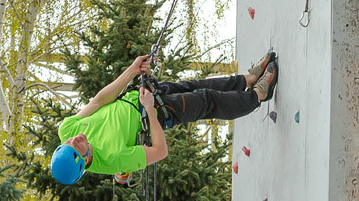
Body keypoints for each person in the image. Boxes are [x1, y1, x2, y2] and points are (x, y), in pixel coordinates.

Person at [49, 51, 279, 184]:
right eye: (77, 146)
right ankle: (258, 95)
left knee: (197, 85)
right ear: (84, 160)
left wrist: (132, 71)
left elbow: (99, 101)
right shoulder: (112, 160)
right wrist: (149, 108)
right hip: (154, 114)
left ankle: (248, 79)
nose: (76, 139)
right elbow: (160, 151)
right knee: (206, 100)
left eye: (69, 143)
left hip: (139, 95)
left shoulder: (66, 131)